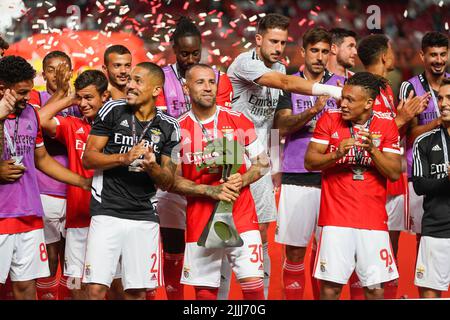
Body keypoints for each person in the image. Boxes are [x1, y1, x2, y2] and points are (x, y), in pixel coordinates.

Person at [226, 12, 341, 299]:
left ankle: (260, 296)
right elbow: (288, 84)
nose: (278, 48)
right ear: (258, 39)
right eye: (273, 41)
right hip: (232, 155)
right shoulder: (245, 63)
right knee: (227, 233)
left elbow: (273, 125)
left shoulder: (278, 64)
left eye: (282, 42)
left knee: (261, 232)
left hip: (261, 159)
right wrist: (330, 90)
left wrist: (274, 164)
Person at [82, 62, 180, 300]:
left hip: (144, 215)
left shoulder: (171, 127)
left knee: (136, 291)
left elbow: (169, 181)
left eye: (138, 81)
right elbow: (88, 158)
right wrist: (123, 157)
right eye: (130, 80)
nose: (130, 85)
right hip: (107, 209)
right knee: (95, 289)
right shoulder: (112, 110)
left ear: (156, 90)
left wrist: (153, 166)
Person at [171, 63, 269, 300]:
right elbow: (172, 182)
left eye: (211, 82)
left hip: (241, 214)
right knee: (205, 294)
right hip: (200, 219)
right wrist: (209, 191)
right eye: (200, 82)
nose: (207, 88)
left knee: (254, 286)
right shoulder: (176, 128)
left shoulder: (238, 120)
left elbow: (263, 162)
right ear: (186, 88)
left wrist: (242, 179)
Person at [154, 17, 233, 300]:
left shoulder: (216, 79)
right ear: (174, 48)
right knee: (173, 247)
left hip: (208, 172)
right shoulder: (161, 78)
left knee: (214, 250)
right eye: (184, 53)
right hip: (175, 168)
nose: (189, 59)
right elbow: (161, 125)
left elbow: (222, 124)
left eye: (195, 53)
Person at [304, 72, 402, 300]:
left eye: (350, 100)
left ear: (369, 103)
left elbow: (394, 173)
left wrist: (372, 151)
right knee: (331, 288)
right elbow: (309, 162)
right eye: (343, 97)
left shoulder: (386, 124)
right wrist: (337, 154)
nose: (343, 103)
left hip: (373, 219)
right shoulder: (329, 118)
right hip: (336, 218)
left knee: (375, 289)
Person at [0, 55, 90, 300]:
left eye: (29, 91)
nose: (28, 98)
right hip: (1, 215)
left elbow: (41, 160)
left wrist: (81, 181)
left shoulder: (29, 113)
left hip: (29, 213)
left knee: (26, 288)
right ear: (2, 88)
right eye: (21, 92)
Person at [273, 27, 345, 300]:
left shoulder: (341, 84)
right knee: (294, 252)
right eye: (314, 50)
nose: (320, 57)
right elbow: (280, 127)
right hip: (297, 174)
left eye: (325, 51)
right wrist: (314, 110)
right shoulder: (288, 83)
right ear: (303, 52)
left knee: (327, 253)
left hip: (333, 176)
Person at [356, 33, 429, 299]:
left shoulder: (386, 88)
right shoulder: (365, 88)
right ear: (385, 55)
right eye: (391, 49)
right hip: (369, 181)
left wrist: (405, 118)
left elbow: (389, 135)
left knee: (390, 251)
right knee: (371, 251)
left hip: (391, 177)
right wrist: (401, 118)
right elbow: (368, 136)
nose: (395, 53)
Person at [38, 69, 110, 299]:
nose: (84, 104)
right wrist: (69, 98)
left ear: (105, 96)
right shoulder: (73, 126)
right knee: (75, 286)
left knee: (111, 285)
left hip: (109, 218)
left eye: (89, 97)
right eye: (81, 98)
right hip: (78, 219)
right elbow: (40, 119)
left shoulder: (119, 126)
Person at [28, 51, 80, 300]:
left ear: (71, 71)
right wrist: (63, 96)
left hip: (77, 192)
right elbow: (34, 125)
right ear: (43, 73)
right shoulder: (35, 98)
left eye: (63, 69)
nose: (57, 75)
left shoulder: (84, 99)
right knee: (49, 255)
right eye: (51, 69)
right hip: (45, 189)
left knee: (75, 259)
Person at [399, 32, 449, 239]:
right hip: (421, 174)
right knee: (424, 235)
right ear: (422, 56)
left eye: (443, 54)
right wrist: (438, 122)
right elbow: (408, 136)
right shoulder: (410, 87)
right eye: (433, 55)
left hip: (447, 171)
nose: (439, 60)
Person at [412, 77, 450, 298]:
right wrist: (447, 180)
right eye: (440, 98)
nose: (443, 104)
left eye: (449, 98)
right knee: (429, 294)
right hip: (435, 229)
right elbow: (419, 185)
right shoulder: (424, 141)